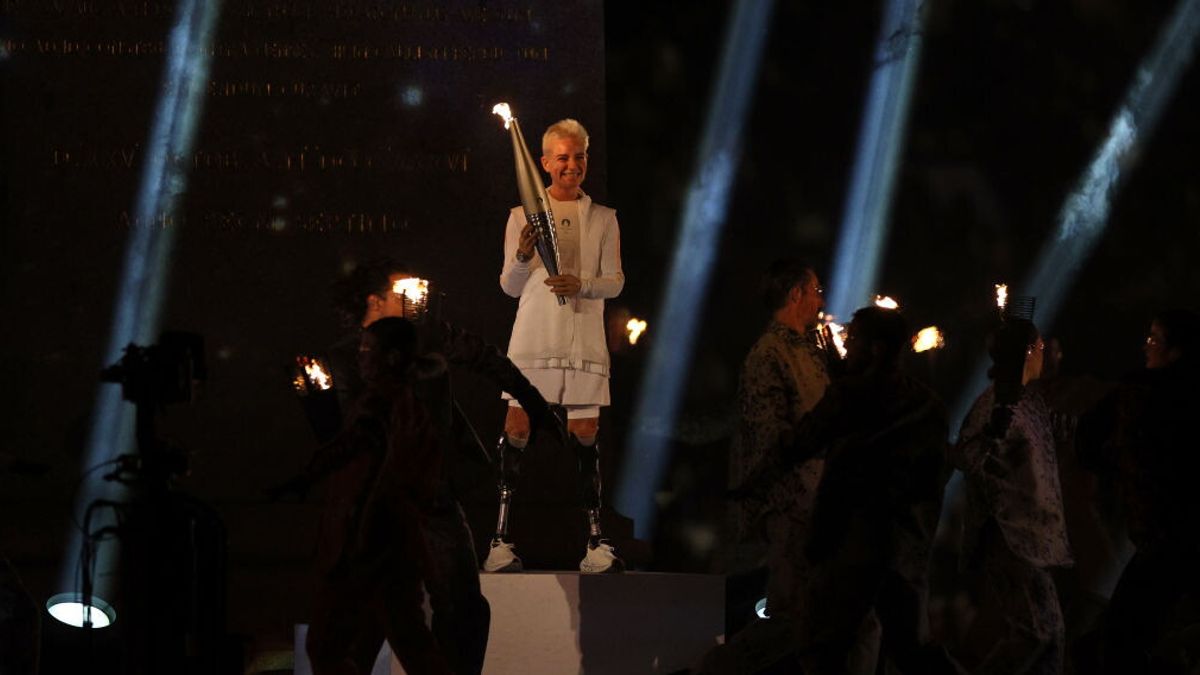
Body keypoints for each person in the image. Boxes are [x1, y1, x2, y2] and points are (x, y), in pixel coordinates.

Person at [295, 259, 560, 674]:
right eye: (396, 292)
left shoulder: (429, 337)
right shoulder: (344, 360)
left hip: (434, 498)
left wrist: (535, 403)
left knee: (462, 604)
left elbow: (486, 358)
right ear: (375, 302)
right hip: (374, 508)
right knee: (367, 620)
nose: (408, 298)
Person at [489, 118, 625, 574]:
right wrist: (524, 255)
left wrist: (581, 284)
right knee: (518, 429)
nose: (573, 165)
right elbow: (509, 286)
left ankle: (594, 543)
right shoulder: (518, 217)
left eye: (580, 155)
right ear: (545, 163)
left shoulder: (604, 218)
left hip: (583, 341)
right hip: (533, 339)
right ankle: (501, 540)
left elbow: (615, 282)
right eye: (563, 157)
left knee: (585, 436)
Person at [285, 317, 453, 674]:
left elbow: (359, 450)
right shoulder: (402, 403)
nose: (360, 356)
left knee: (328, 646)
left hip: (371, 544)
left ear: (390, 357)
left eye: (367, 349)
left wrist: (306, 477)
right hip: (388, 544)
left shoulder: (383, 403)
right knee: (409, 645)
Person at [953, 318, 1072, 675]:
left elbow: (1060, 429)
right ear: (1024, 354)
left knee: (1048, 635)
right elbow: (969, 457)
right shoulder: (996, 405)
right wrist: (994, 437)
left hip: (1032, 539)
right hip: (1010, 539)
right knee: (1037, 633)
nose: (1042, 355)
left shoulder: (1029, 401)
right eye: (1037, 348)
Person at [1095, 309, 1200, 674]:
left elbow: (1089, 443)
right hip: (1170, 542)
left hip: (1169, 543)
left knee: (1118, 644)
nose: (1146, 346)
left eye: (1155, 339)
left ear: (1177, 351)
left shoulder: (1141, 395)